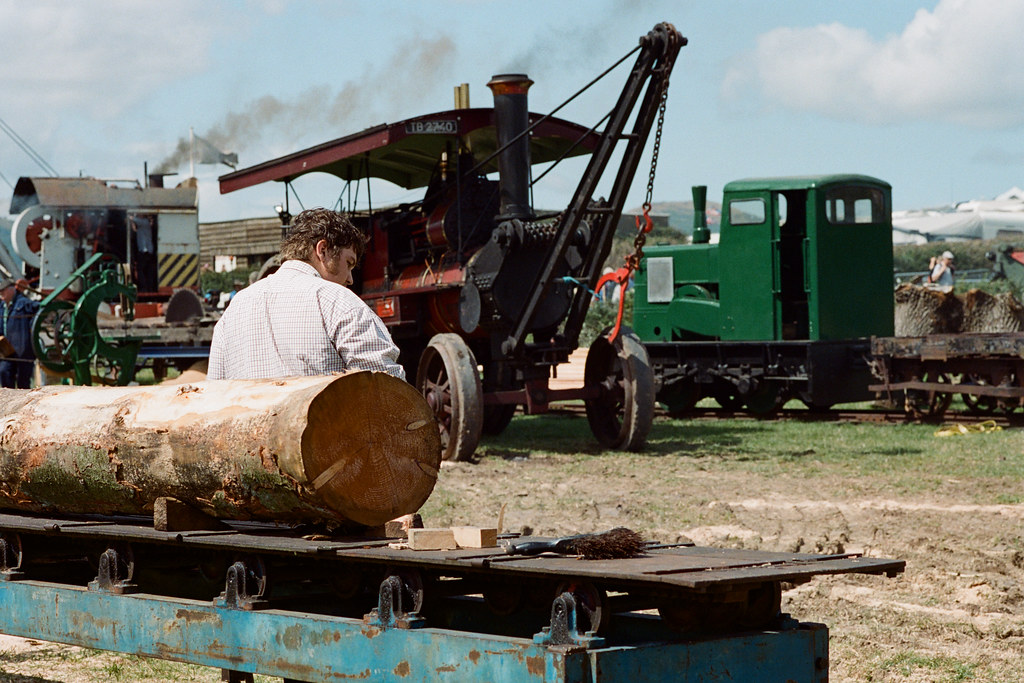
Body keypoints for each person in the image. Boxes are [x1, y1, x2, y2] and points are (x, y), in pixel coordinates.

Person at [207, 208, 405, 380]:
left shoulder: (235, 308)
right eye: (349, 263)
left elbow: (214, 395)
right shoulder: (338, 301)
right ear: (323, 250)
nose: (350, 279)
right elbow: (386, 387)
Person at [0, 278, 40, 388]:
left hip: (23, 352)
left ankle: (24, 404)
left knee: (23, 383)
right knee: (4, 373)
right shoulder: (2, 307)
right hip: (7, 351)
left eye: (3, 290)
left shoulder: (23, 303)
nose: (1, 294)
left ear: (12, 290)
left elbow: (39, 307)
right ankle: (8, 404)